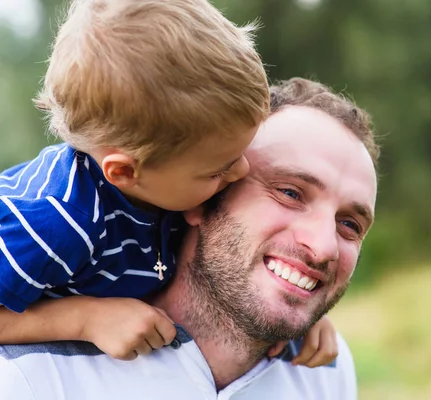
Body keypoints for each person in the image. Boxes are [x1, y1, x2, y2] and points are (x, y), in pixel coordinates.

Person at [0, 0, 336, 366]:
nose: (240, 171)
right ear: (126, 172)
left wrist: (293, 311)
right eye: (217, 170)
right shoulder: (56, 223)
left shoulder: (165, 180)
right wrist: (86, 319)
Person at [0, 78, 380, 399]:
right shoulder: (28, 375)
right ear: (203, 199)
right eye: (290, 193)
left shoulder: (323, 372)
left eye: (349, 224)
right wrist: (79, 320)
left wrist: (295, 307)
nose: (325, 246)